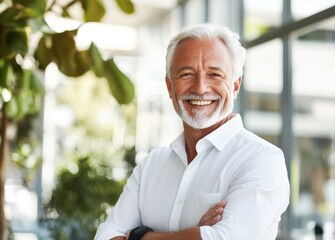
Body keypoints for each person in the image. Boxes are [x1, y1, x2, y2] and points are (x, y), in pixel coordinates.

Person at [94, 23, 290, 240]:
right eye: (187, 74)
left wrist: (138, 236)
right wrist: (195, 233)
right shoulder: (151, 165)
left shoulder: (261, 159)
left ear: (235, 85)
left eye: (214, 74)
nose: (200, 87)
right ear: (170, 86)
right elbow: (106, 235)